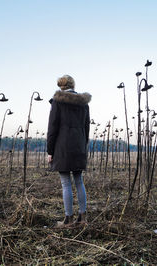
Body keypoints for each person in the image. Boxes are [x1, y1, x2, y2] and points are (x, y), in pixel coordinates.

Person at [47, 75, 91, 227]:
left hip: (62, 147)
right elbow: (87, 128)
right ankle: (83, 217)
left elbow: (52, 128)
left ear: (61, 86)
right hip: (79, 146)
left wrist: (50, 151)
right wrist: (83, 146)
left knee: (66, 183)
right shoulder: (84, 103)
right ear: (73, 85)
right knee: (79, 181)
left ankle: (68, 219)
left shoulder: (58, 102)